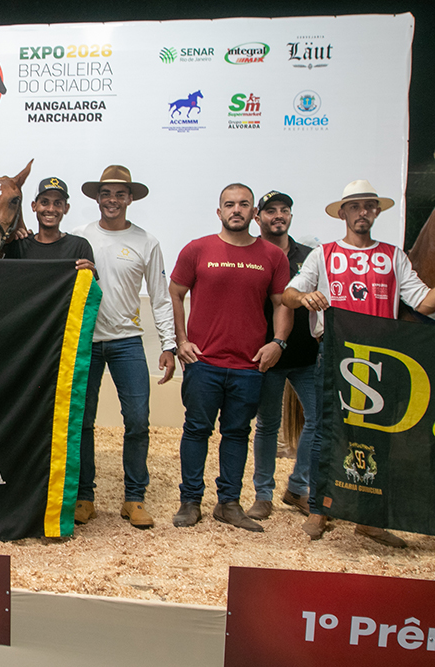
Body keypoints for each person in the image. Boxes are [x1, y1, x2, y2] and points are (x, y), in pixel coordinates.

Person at [283, 179, 435, 547]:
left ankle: (370, 519)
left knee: (378, 437)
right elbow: (288, 294)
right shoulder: (324, 255)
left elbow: (423, 302)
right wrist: (305, 298)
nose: (362, 212)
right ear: (343, 213)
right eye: (355, 206)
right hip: (335, 353)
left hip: (382, 359)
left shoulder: (393, 257)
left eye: (369, 206)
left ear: (377, 211)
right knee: (327, 431)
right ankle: (319, 508)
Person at [169, 183, 291, 532]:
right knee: (196, 430)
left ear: (254, 213)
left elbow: (282, 303)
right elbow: (175, 293)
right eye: (229, 204)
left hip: (249, 365)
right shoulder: (197, 249)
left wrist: (278, 343)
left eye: (243, 204)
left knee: (237, 433)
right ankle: (190, 501)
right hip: (203, 363)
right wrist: (181, 340)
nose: (236, 210)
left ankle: (228, 504)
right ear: (219, 211)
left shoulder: (273, 256)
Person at [70, 166, 177, 528]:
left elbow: (160, 298)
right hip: (85, 341)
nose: (112, 200)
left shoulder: (147, 242)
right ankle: (84, 497)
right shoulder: (79, 237)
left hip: (127, 341)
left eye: (119, 194)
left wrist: (169, 344)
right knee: (82, 421)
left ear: (130, 198)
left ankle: (134, 498)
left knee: (137, 420)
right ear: (97, 198)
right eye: (106, 193)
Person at [248, 191, 318, 521]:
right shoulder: (251, 253)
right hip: (268, 355)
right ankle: (263, 494)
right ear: (258, 217)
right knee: (267, 425)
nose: (279, 215)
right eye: (271, 210)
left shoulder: (310, 256)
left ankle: (298, 487)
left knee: (319, 420)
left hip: (307, 355)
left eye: (285, 210)